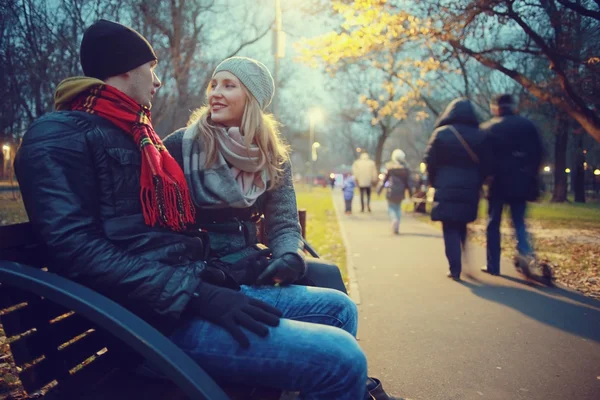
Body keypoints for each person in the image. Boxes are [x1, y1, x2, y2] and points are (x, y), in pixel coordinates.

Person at [13, 20, 404, 400]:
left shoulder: (138, 136)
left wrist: (279, 258)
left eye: (228, 85)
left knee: (337, 309)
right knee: (340, 358)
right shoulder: (72, 136)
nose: (158, 79)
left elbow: (159, 237)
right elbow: (75, 248)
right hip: (145, 324)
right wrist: (201, 294)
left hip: (183, 295)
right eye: (152, 68)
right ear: (126, 69)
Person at [163, 56, 346, 294]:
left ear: (251, 98)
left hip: (248, 263)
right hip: (202, 274)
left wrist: (289, 257)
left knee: (330, 279)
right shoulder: (182, 145)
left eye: (229, 85)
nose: (215, 93)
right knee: (336, 304)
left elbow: (283, 223)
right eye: (214, 84)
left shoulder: (271, 155)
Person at [423, 98, 490, 281]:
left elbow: (429, 160)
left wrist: (433, 181)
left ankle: (455, 268)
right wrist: (478, 181)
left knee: (449, 227)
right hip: (470, 187)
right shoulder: (480, 135)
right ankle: (466, 260)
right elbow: (487, 162)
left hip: (445, 185)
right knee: (462, 224)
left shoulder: (442, 133)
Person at [481, 94, 543, 276]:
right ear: (513, 106)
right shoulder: (528, 126)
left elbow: (483, 159)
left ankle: (493, 265)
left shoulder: (487, 128)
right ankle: (525, 253)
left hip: (497, 182)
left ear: (495, 107)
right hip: (521, 182)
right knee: (519, 221)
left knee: (493, 223)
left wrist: (485, 178)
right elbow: (539, 153)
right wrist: (530, 173)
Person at [377, 149, 413, 235]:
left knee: (391, 208)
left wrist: (379, 189)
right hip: (400, 192)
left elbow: (384, 180)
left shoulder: (390, 167)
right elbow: (408, 183)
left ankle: (394, 220)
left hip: (391, 190)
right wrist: (411, 193)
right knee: (398, 208)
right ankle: (397, 227)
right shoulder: (405, 169)